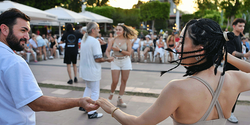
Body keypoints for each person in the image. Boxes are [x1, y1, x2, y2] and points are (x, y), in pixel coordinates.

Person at [96, 18, 250, 125]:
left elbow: (139, 123)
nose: (176, 46)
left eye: (182, 41)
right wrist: (224, 55)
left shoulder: (177, 89)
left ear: (199, 50)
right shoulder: (234, 80)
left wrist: (112, 109)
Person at [0, 8, 99, 124]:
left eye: (28, 32)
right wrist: (78, 102)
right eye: (23, 30)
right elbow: (37, 103)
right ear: (4, 29)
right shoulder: (14, 62)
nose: (27, 36)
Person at [79, 22, 113, 119]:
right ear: (93, 30)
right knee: (94, 91)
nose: (99, 30)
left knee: (88, 88)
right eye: (98, 28)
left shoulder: (85, 39)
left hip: (85, 70)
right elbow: (98, 59)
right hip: (92, 71)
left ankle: (83, 106)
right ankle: (92, 112)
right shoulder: (94, 41)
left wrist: (102, 44)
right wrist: (107, 59)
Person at [105, 24, 138, 108]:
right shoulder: (112, 40)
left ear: (123, 31)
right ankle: (111, 95)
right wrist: (109, 57)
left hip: (125, 61)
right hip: (115, 61)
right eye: (116, 30)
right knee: (115, 81)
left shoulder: (128, 40)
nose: (118, 31)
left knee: (124, 80)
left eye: (119, 30)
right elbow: (107, 51)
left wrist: (119, 50)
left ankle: (120, 99)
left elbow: (129, 53)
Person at [225, 18, 250, 123]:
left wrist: (243, 35)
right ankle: (229, 113)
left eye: (243, 26)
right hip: (231, 69)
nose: (242, 28)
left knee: (236, 91)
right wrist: (245, 55)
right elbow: (232, 53)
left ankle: (229, 112)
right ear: (234, 26)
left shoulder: (239, 36)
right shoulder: (230, 37)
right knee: (232, 92)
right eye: (240, 26)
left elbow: (242, 45)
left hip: (238, 68)